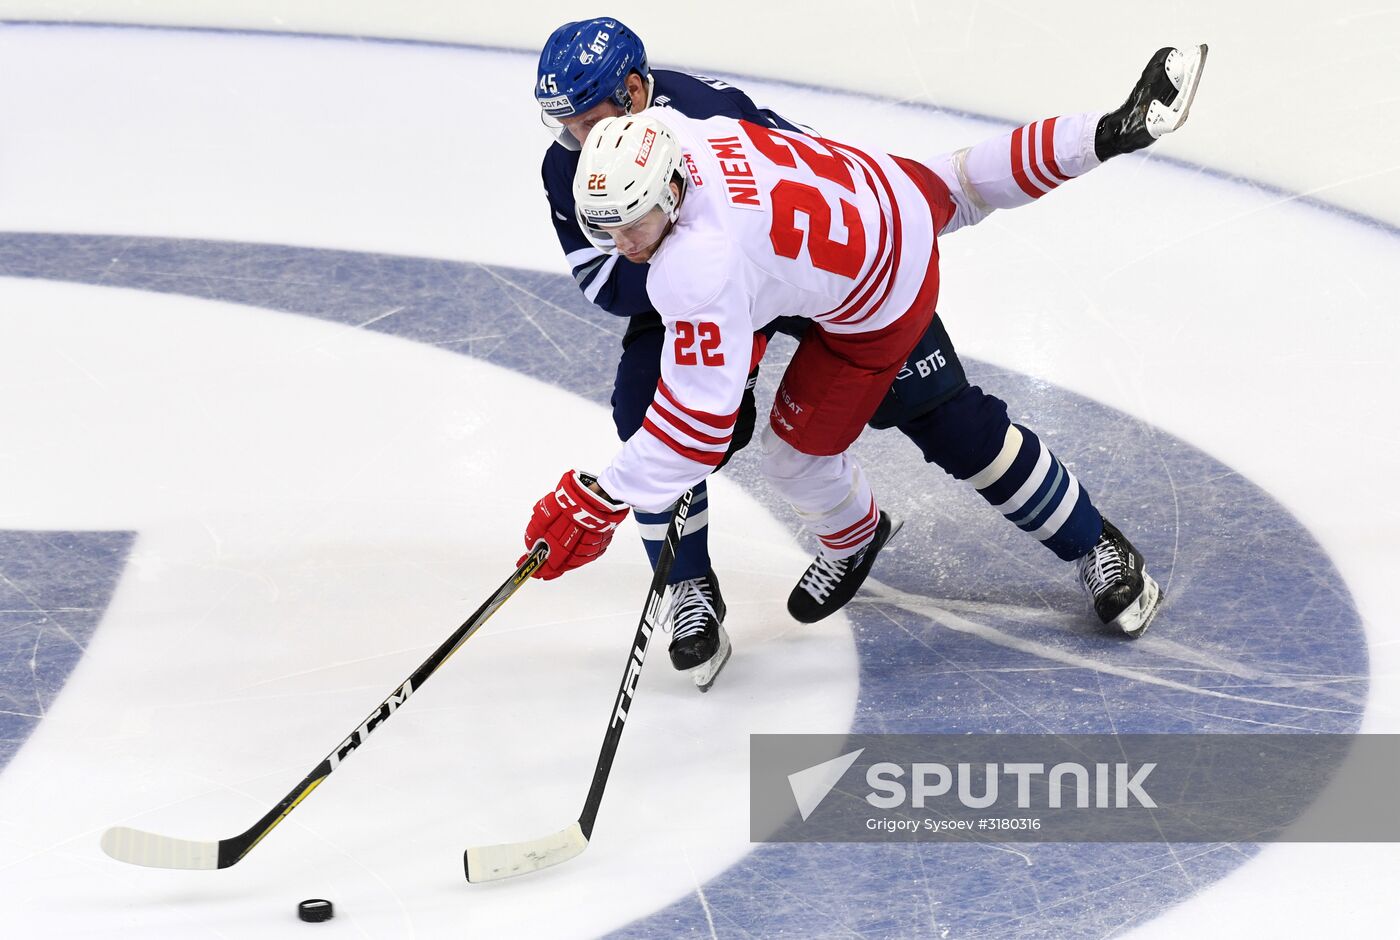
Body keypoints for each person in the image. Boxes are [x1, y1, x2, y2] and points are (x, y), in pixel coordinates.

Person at [527, 18, 1206, 686]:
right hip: (803, 248)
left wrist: (602, 493)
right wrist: (1102, 134)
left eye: (586, 121)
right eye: (563, 126)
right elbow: (613, 280)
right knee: (648, 405)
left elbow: (695, 411)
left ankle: (1093, 542)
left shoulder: (696, 229)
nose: (576, 142)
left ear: (639, 94)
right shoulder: (666, 147)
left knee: (948, 422)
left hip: (828, 282)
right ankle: (690, 585)